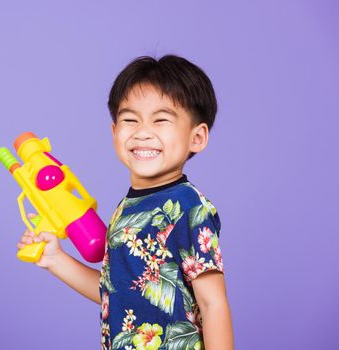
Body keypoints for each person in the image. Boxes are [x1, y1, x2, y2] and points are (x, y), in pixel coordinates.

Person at [17, 54, 234, 350]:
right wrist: (56, 260)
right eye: (130, 120)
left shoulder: (188, 207)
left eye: (161, 120)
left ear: (196, 137)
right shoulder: (127, 209)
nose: (142, 132)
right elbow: (115, 292)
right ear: (114, 132)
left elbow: (212, 304)